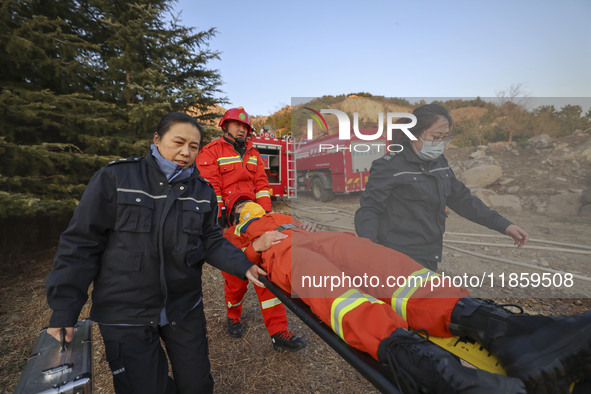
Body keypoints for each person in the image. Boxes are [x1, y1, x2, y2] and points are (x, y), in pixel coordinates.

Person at [225, 200, 591, 394]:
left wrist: (305, 227)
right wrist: (253, 247)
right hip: (280, 253)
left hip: (315, 238)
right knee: (330, 288)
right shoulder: (235, 232)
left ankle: (505, 328)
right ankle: (430, 368)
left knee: (383, 263)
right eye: (240, 208)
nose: (247, 207)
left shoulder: (278, 212)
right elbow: (226, 262)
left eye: (249, 204)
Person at [45, 112, 266, 394]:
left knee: (197, 385)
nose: (186, 152)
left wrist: (242, 263)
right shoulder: (116, 177)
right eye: (178, 142)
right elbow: (80, 244)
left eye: (194, 146)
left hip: (183, 307)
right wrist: (65, 310)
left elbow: (210, 239)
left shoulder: (202, 191)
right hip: (126, 313)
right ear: (157, 139)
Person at [355, 103, 529, 271]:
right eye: (435, 137)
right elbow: (369, 210)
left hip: (429, 254)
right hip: (396, 254)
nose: (440, 143)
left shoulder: (439, 163)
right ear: (413, 135)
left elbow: (462, 199)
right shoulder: (389, 166)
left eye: (444, 137)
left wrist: (504, 225)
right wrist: (372, 254)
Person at [196, 107, 304, 350]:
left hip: (254, 220)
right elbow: (210, 187)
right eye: (237, 125)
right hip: (229, 225)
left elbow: (262, 185)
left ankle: (279, 333)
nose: (242, 129)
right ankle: (233, 315)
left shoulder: (254, 152)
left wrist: (265, 217)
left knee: (267, 275)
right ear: (225, 126)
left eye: (245, 126)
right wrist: (221, 218)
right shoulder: (211, 152)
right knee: (236, 279)